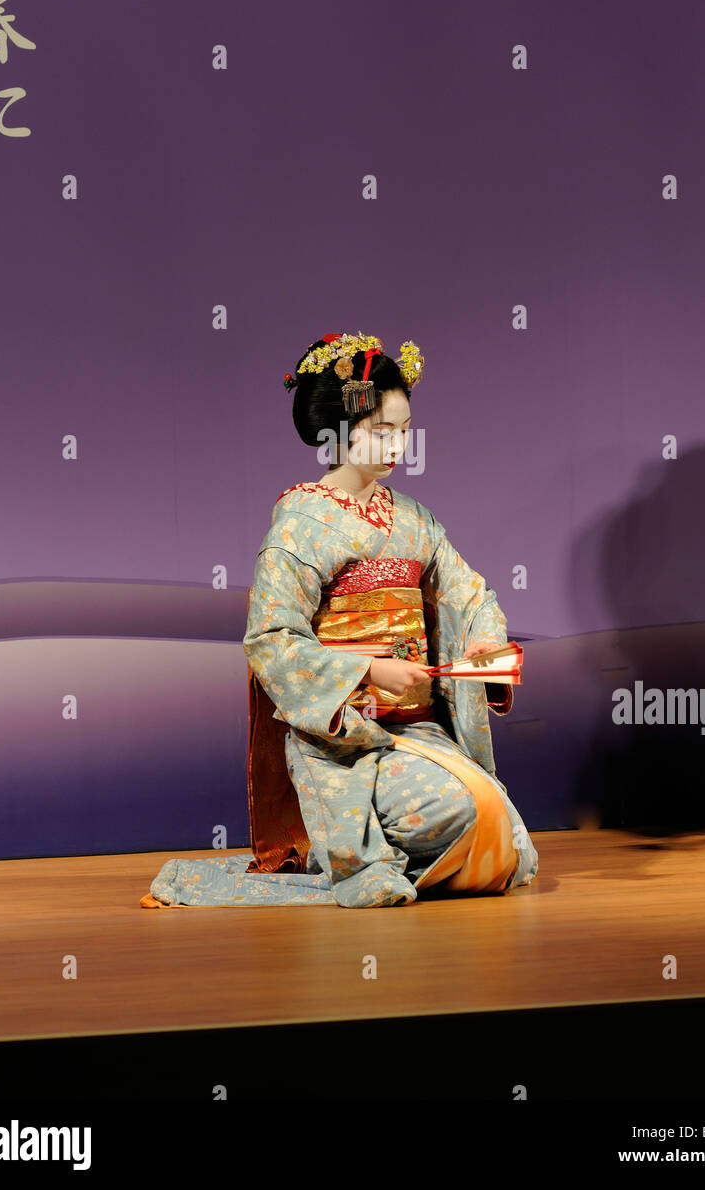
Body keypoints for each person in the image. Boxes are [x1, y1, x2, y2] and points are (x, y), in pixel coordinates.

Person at [141, 331, 539, 909]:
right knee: (462, 812)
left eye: (404, 430)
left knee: (503, 832)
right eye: (383, 431)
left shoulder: (415, 520)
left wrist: (481, 649)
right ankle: (367, 850)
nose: (398, 444)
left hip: (419, 731)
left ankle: (392, 857)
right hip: (343, 740)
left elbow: (469, 594)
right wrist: (369, 675)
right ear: (338, 430)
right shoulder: (301, 522)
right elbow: (271, 639)